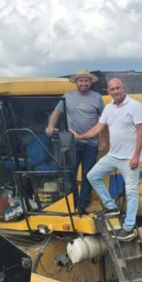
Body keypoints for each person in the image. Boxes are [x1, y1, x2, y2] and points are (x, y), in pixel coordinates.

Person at [73, 78, 142, 241]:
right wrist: (80, 136)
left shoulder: (135, 106)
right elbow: (99, 128)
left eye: (118, 88)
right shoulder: (108, 109)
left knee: (131, 191)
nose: (115, 91)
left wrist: (135, 155)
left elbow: (141, 131)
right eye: (112, 89)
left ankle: (129, 228)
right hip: (113, 155)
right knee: (92, 176)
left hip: (129, 158)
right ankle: (112, 207)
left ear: (124, 88)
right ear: (109, 91)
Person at [45, 68, 104, 215]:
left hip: (92, 144)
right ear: (76, 82)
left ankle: (83, 206)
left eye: (86, 80)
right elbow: (55, 114)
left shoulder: (97, 98)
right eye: (81, 80)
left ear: (90, 82)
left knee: (88, 175)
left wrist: (103, 141)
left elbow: (104, 121)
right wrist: (50, 126)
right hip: (73, 143)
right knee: (70, 174)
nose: (83, 83)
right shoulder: (67, 97)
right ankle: (73, 203)